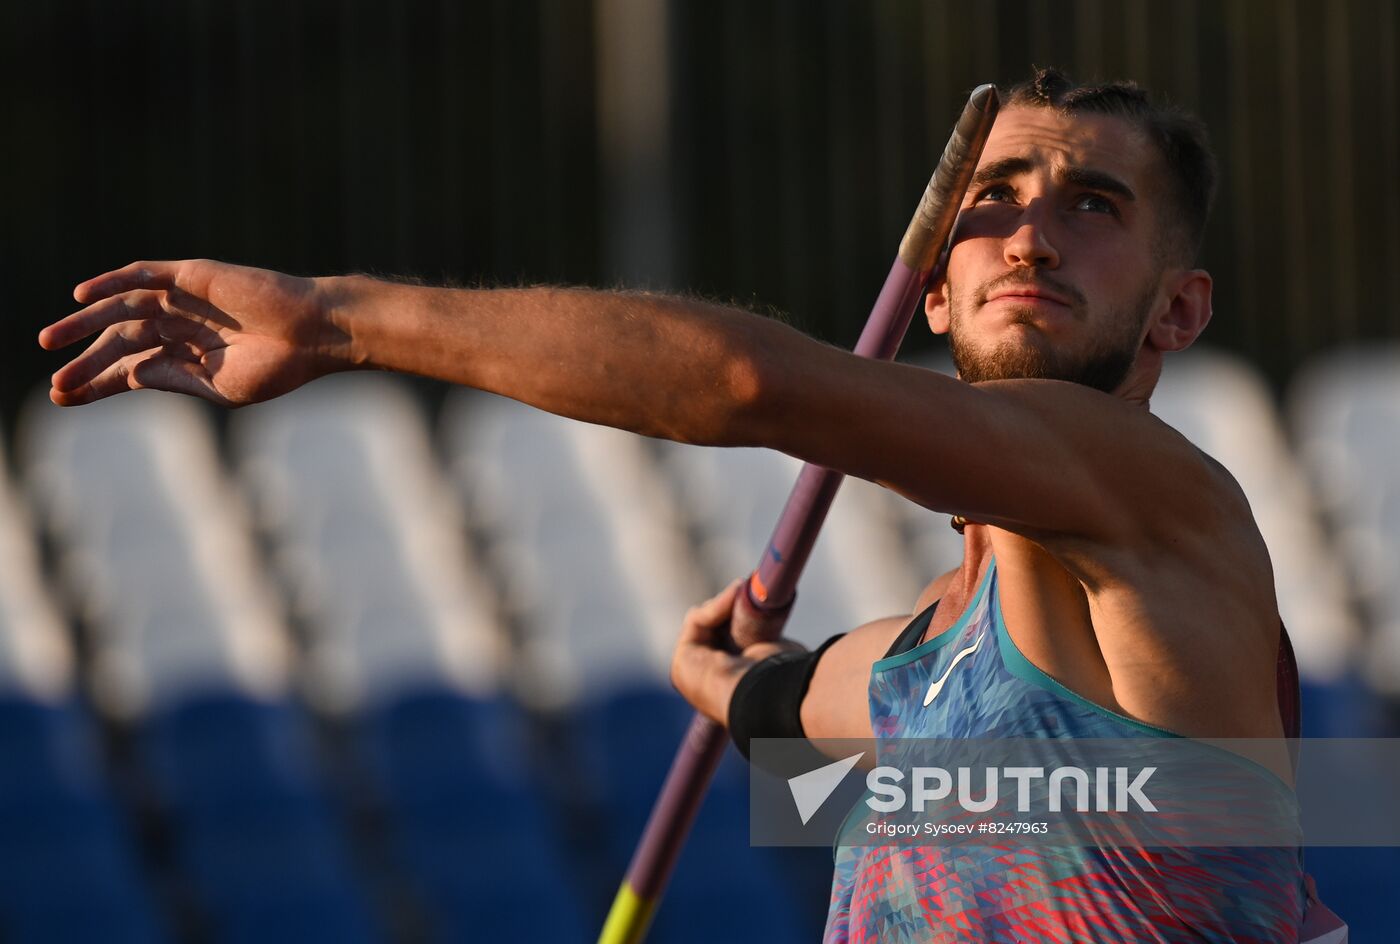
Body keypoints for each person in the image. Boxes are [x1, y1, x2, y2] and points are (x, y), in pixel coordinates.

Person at [40, 69, 1319, 941]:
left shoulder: (1156, 506)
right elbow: (814, 701)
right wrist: (731, 683)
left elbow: (753, 383)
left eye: (1091, 205)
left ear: (1176, 310)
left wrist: (340, 320)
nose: (1029, 234)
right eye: (994, 197)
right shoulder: (922, 656)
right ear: (932, 291)